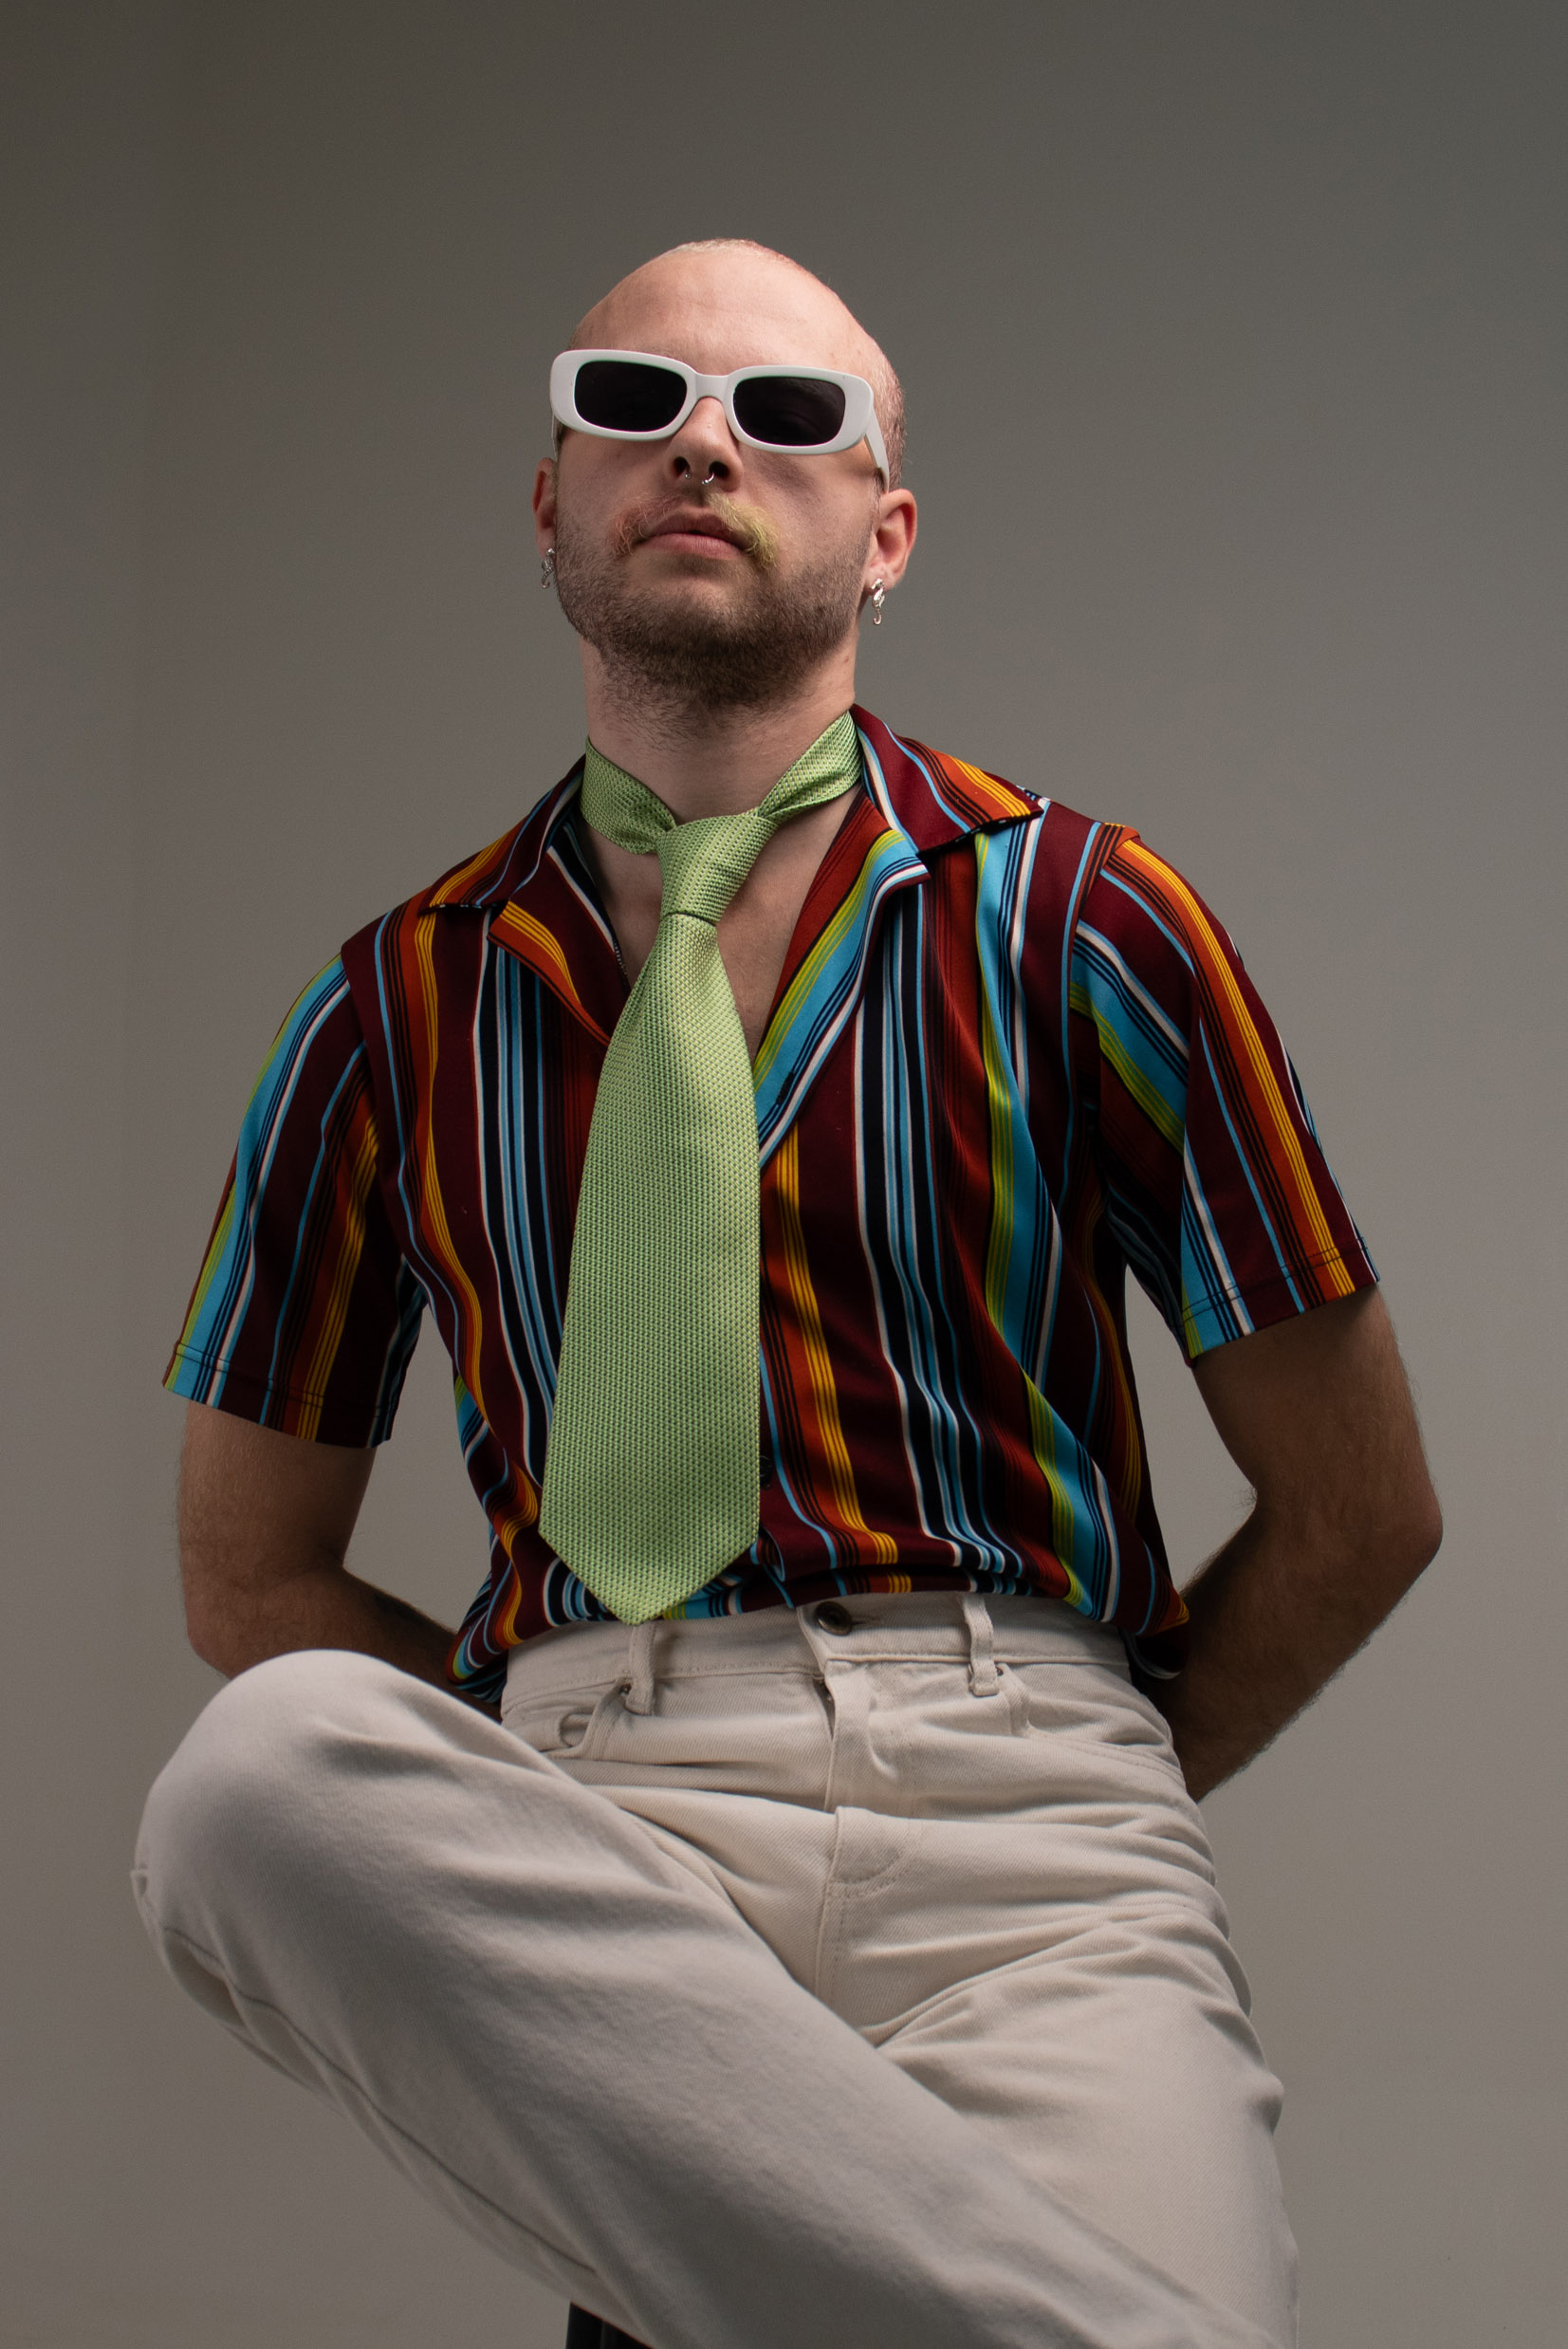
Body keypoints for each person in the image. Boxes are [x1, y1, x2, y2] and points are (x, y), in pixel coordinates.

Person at [135, 240, 1441, 2349]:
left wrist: (1075, 1756)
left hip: (1037, 1838)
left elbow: (1362, 1501)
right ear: (546, 491)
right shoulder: (393, 1002)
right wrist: (546, 1798)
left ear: (884, 530)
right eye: (631, 399)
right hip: (607, 1830)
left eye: (788, 414)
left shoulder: (1092, 922)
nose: (704, 443)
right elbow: (244, 1577)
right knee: (250, 1779)